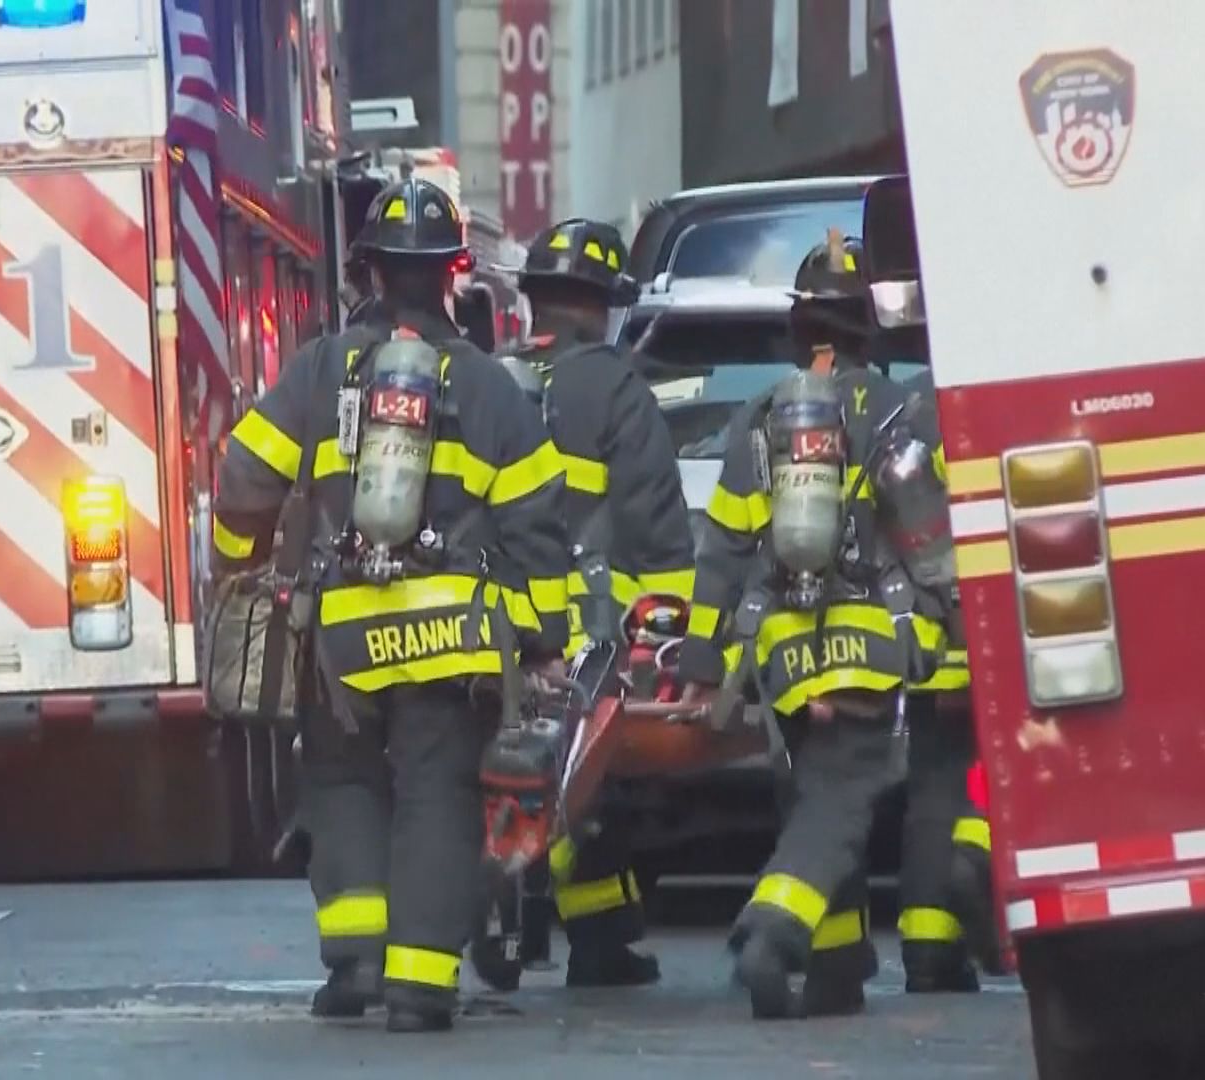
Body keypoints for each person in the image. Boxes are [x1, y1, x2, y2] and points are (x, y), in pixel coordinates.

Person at [211, 178, 573, 1033]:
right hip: (451, 641)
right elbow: (536, 524)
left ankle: (356, 965)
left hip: (341, 637)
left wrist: (242, 564)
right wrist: (541, 635)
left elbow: (243, 480)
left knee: (340, 783)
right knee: (436, 794)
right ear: (455, 271)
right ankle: (418, 984)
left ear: (368, 270)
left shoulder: (318, 370)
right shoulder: (490, 387)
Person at [674, 232, 939, 1020]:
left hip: (784, 647)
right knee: (843, 801)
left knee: (812, 794)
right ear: (867, 328)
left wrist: (699, 656)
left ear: (798, 329)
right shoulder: (899, 412)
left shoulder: (757, 419)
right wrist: (951, 625)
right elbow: (929, 539)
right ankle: (774, 932)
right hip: (868, 639)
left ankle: (835, 973)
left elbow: (722, 549)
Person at [488, 218, 694, 988]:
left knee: (530, 778)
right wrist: (672, 633)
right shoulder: (616, 390)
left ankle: (596, 934)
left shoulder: (491, 380)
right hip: (590, 635)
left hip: (488, 624)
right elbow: (655, 528)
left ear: (535, 300)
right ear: (607, 306)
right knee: (586, 781)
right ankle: (574, 931)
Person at [885, 364, 1002, 993]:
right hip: (987, 633)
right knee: (998, 765)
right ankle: (975, 853)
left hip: (927, 643)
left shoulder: (913, 413)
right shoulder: (994, 398)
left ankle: (929, 953)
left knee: (932, 790)